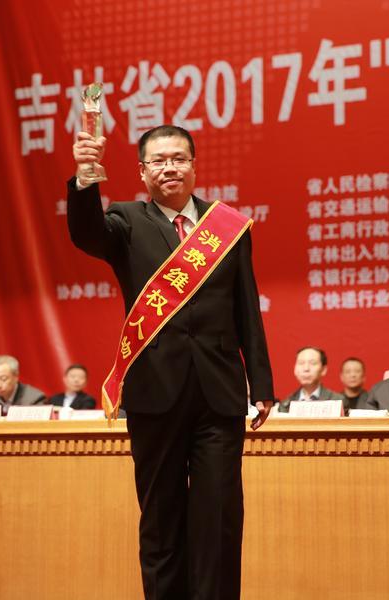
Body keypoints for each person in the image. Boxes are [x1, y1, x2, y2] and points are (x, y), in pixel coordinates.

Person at [68, 124, 274, 600]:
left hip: (219, 394)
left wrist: (261, 382)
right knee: (161, 520)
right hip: (154, 393)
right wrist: (85, 174)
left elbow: (246, 306)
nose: (169, 168)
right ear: (142, 172)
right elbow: (85, 234)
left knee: (219, 519)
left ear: (194, 167)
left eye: (179, 159)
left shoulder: (227, 227)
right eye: (158, 161)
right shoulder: (125, 220)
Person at [277, 347, 344, 412]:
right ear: (295, 369)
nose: (306, 368)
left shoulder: (338, 401)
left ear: (323, 369)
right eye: (301, 363)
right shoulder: (286, 404)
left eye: (313, 363)